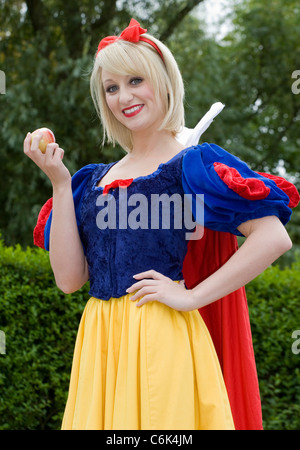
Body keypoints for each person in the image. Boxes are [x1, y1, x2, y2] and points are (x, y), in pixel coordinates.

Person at [24, 19, 299, 430]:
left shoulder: (192, 165)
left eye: (136, 80)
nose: (124, 97)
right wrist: (60, 184)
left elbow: (274, 238)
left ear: (165, 82)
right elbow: (69, 280)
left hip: (162, 338)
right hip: (101, 344)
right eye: (111, 87)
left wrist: (191, 297)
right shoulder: (91, 180)